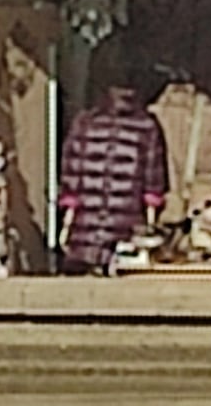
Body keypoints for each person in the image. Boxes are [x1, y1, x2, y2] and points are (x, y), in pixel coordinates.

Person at [52, 69, 167, 272]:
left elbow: (71, 172)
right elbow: (153, 181)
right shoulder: (146, 125)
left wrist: (69, 214)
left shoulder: (85, 122)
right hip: (126, 225)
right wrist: (151, 218)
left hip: (84, 226)